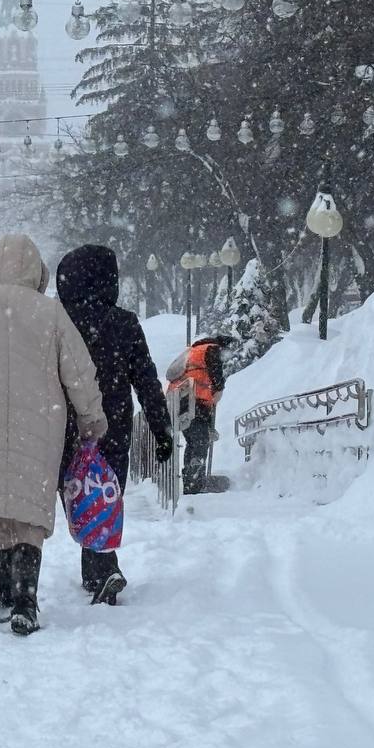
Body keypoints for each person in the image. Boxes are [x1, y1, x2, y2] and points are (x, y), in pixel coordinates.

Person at [0, 234, 107, 637]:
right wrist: (91, 418)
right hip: (41, 423)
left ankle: (2, 595)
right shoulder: (52, 313)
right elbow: (79, 373)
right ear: (37, 273)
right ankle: (27, 601)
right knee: (29, 509)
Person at [56, 244, 173, 605]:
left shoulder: (59, 323)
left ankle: (101, 568)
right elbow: (146, 380)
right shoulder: (124, 323)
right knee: (106, 496)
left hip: (66, 429)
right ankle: (100, 567)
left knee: (79, 498)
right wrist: (160, 428)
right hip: (114, 429)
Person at [166, 334, 237, 494]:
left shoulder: (195, 350)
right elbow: (215, 373)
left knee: (194, 441)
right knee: (200, 440)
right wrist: (219, 389)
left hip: (183, 400)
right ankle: (195, 484)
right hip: (192, 400)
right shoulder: (211, 349)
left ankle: (192, 483)